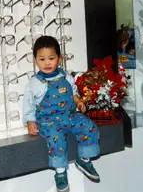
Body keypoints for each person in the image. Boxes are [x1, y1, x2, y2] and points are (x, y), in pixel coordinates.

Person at [22, 35, 100, 192]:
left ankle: (84, 159)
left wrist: (78, 102)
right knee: (56, 139)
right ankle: (60, 173)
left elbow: (74, 93)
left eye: (51, 58)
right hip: (49, 122)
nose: (47, 63)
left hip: (70, 116)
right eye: (42, 59)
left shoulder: (66, 76)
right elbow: (28, 105)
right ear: (35, 59)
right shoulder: (34, 83)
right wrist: (30, 122)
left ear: (59, 58)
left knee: (88, 126)